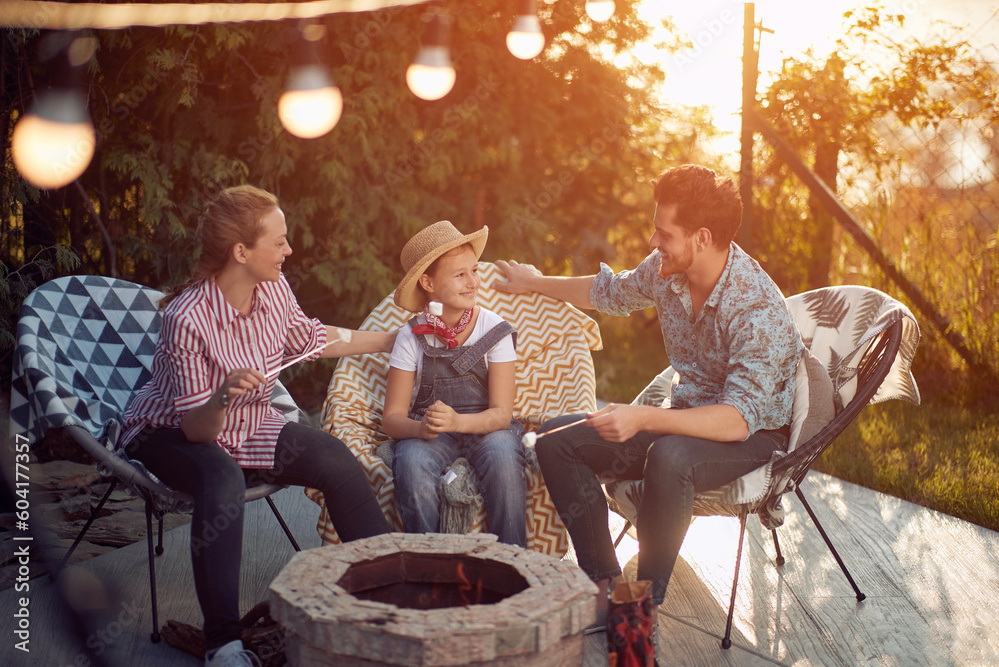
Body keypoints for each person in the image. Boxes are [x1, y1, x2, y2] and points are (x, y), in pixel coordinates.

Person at [493, 164, 804, 621]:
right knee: (557, 441)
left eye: (664, 233)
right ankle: (605, 587)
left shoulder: (757, 308)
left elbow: (737, 419)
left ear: (701, 237)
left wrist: (641, 418)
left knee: (670, 457)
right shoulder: (666, 271)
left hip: (751, 437)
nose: (653, 242)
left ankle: (640, 606)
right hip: (686, 415)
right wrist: (533, 282)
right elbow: (611, 292)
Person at [120, 185, 394, 667]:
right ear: (241, 251)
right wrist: (224, 394)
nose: (289, 250)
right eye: (280, 240)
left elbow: (313, 338)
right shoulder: (187, 319)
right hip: (172, 432)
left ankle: (396, 594)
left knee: (334, 456)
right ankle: (222, 645)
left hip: (249, 424)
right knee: (220, 475)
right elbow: (199, 431)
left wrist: (392, 339)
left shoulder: (273, 289)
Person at [382, 220, 527, 547]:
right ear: (428, 282)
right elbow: (391, 419)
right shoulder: (410, 336)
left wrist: (459, 421)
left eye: (474, 271)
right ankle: (429, 562)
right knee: (412, 462)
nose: (473, 281)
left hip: (486, 428)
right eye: (460, 275)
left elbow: (502, 414)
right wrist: (420, 430)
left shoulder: (495, 330)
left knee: (505, 457)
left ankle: (516, 561)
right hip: (431, 432)